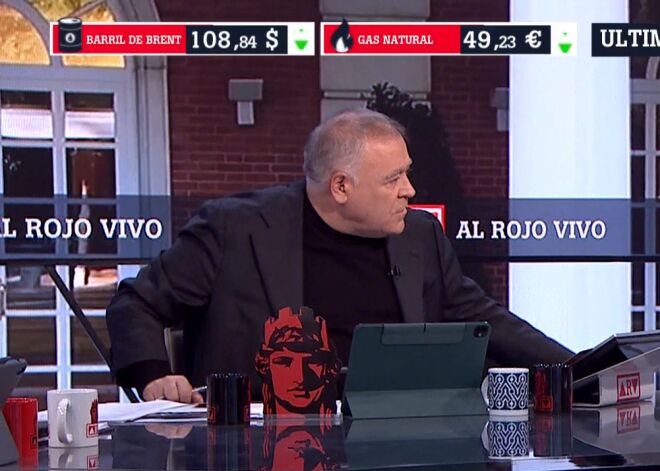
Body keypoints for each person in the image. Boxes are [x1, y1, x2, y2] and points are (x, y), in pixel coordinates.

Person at [107, 109, 572, 403]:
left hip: (394, 448)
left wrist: (579, 369)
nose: (410, 190)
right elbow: (136, 302)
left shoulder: (419, 236)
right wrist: (154, 376)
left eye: (406, 174)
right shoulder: (234, 229)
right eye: (393, 179)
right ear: (341, 187)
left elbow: (485, 319)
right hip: (259, 455)